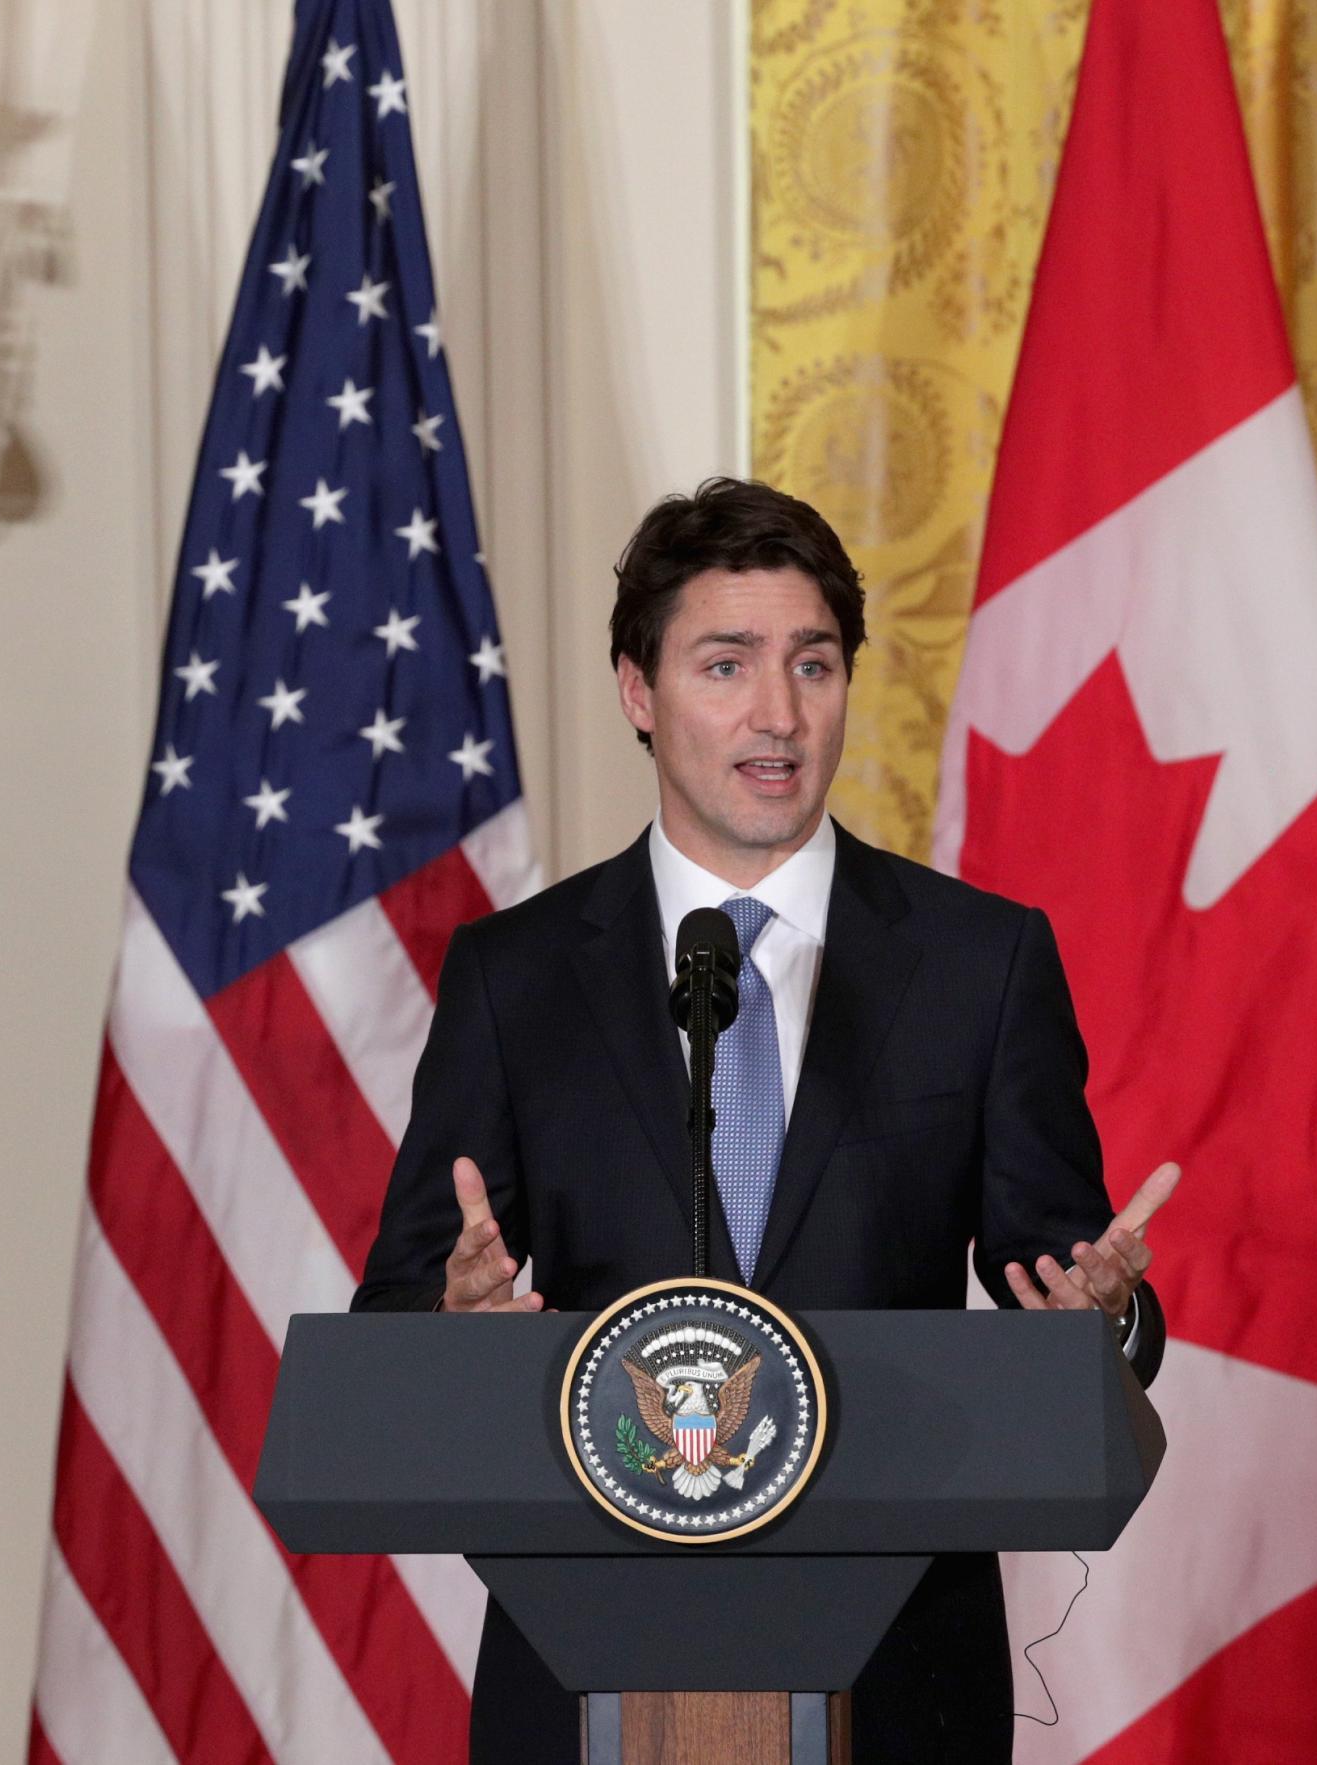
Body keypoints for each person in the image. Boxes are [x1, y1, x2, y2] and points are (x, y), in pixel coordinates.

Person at [352, 478, 1174, 1764]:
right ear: (639, 690)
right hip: (586, 1672)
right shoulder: (513, 977)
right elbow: (397, 1318)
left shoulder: (978, 962)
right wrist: (453, 1333)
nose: (776, 715)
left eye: (813, 663)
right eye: (724, 664)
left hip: (902, 1668)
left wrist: (1098, 1318)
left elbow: (1061, 1284)